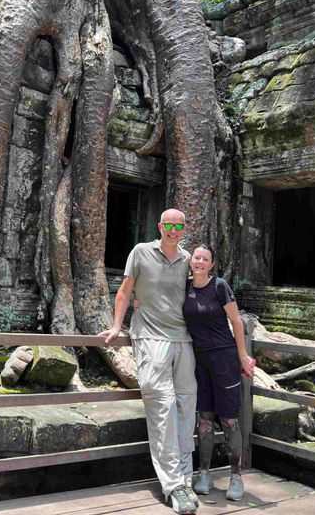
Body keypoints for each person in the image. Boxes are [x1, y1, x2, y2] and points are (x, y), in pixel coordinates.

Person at [100, 209, 199, 515]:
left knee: (186, 407)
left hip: (184, 340)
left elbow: (200, 292)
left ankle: (187, 478)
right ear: (160, 226)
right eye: (168, 225)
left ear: (184, 230)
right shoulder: (141, 252)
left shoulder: (188, 260)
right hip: (151, 338)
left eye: (178, 226)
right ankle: (174, 486)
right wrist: (118, 327)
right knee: (163, 408)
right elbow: (126, 290)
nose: (172, 230)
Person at [185, 246, 254, 502]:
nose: (200, 262)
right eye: (197, 258)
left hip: (224, 358)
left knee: (228, 419)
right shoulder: (186, 287)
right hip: (199, 360)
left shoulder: (220, 286)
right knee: (203, 418)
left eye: (205, 259)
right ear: (190, 262)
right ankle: (204, 473)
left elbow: (236, 322)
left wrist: (243, 356)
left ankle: (236, 476)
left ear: (211, 265)